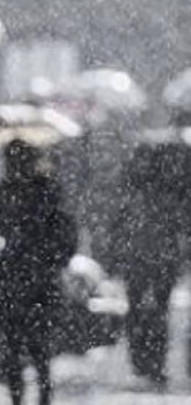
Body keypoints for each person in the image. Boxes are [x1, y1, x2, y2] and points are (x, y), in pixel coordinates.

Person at [0, 139, 77, 405]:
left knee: (26, 346)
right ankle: (33, 395)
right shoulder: (34, 190)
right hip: (28, 275)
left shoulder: (37, 190)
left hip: (27, 274)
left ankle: (34, 395)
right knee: (27, 346)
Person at [112, 137, 190, 386]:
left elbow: (119, 228)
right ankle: (150, 362)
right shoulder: (165, 195)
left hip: (145, 260)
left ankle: (147, 362)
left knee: (145, 312)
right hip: (153, 260)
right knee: (152, 313)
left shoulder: (135, 194)